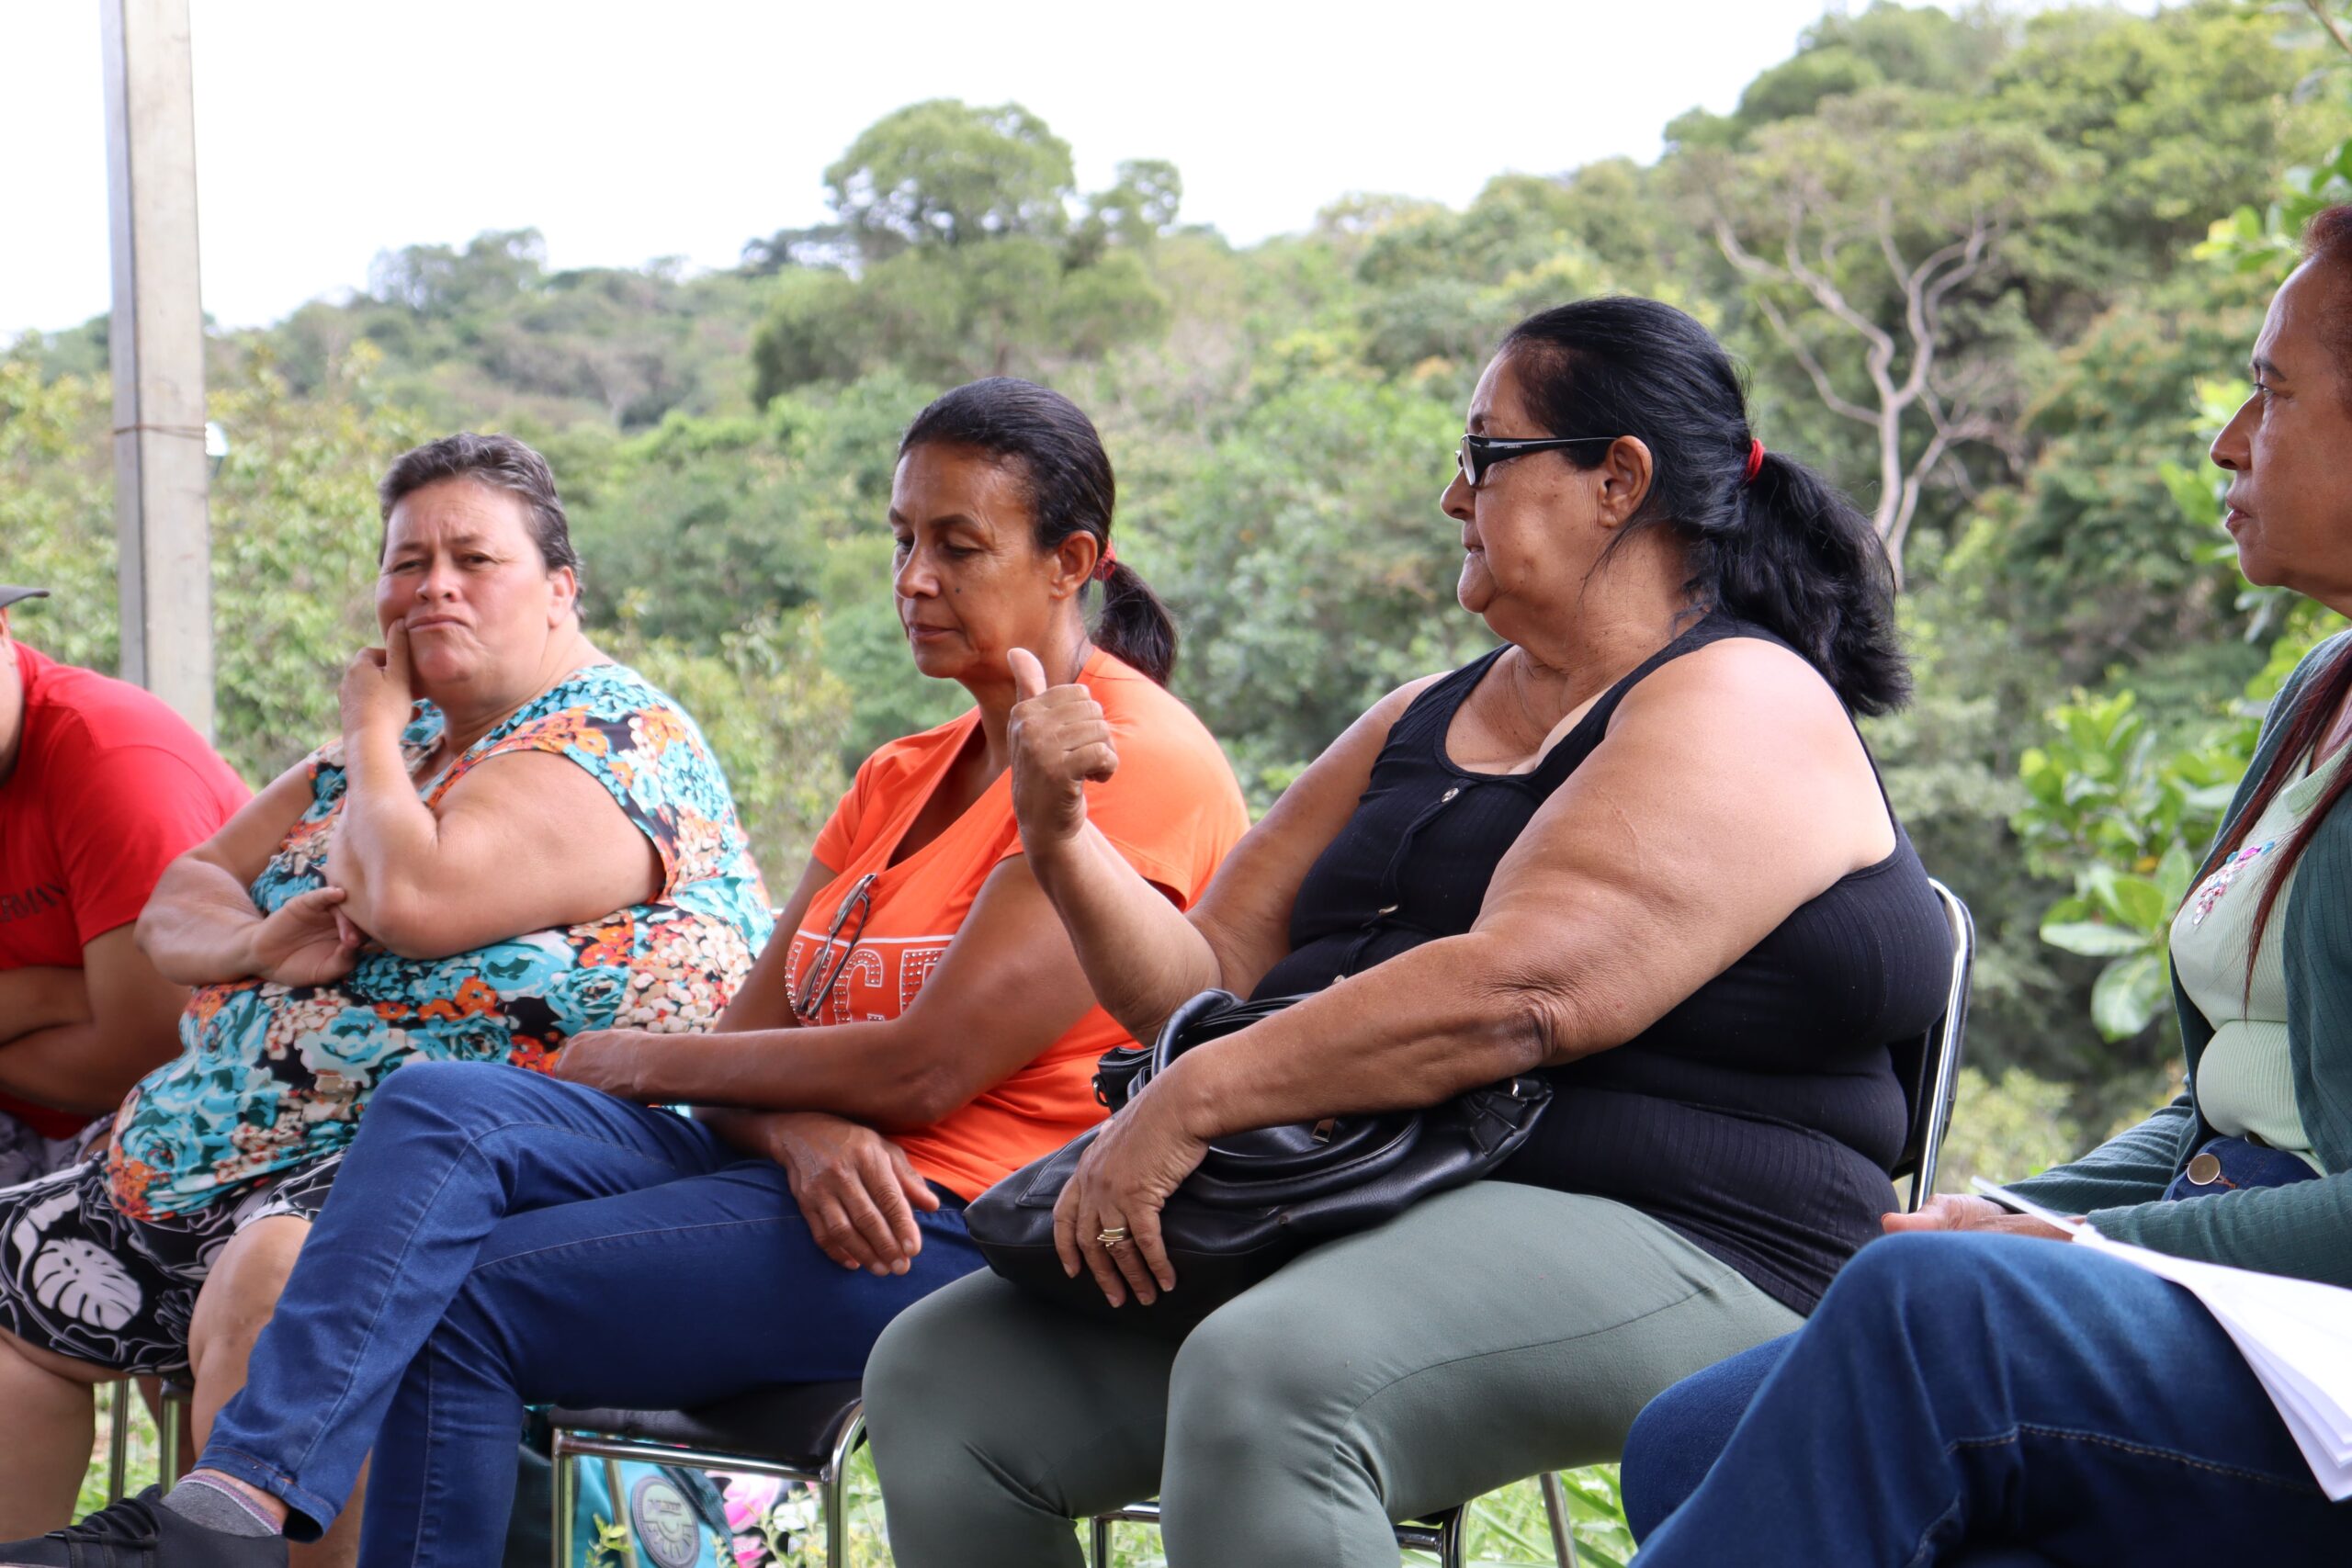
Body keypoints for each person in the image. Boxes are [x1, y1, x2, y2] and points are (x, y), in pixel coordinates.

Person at [6, 378, 1250, 1568]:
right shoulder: (899, 771)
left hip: (945, 1217)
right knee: (438, 1104)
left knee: (449, 1299)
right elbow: (749, 1042)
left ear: (1071, 561)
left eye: (957, 546)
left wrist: (645, 1060)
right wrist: (795, 1122)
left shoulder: (1128, 757)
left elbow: (926, 1068)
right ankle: (233, 1503)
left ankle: (241, 1499)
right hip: (798, 1167)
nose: (912, 577)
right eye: (901, 538)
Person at [860, 297, 1955, 1568]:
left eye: (1485, 454)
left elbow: (1522, 992)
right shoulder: (1419, 716)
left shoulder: (1744, 695)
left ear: (1618, 479)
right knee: (946, 1378)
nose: (1452, 495)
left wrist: (1194, 1099)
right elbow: (1200, 982)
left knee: (1276, 1379)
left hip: (1701, 1231)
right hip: (1391, 1193)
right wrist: (1059, 840)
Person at [1616, 209, 2352, 1567]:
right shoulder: (2322, 692)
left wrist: (2086, 1244)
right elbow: (2227, 1105)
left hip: (2318, 1330)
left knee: (1929, 1315)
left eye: (2274, 391)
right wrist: (2021, 1209)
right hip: (2234, 1277)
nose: (2229, 440)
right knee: (1692, 1436)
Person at [0, 433, 773, 1564]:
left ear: (561, 589)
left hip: (479, 1167)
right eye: (408, 562)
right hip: (204, 1162)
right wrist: (259, 941)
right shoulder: (395, 752)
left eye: (474, 559)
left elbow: (414, 895)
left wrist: (368, 723)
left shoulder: (612, 740)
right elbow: (180, 899)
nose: (434, 587)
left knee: (276, 1284)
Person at [0, 584, 248, 1190]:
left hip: (188, 1119)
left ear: (3, 631)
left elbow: (154, 1051)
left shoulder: (110, 752)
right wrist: (53, 996)